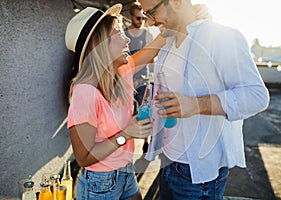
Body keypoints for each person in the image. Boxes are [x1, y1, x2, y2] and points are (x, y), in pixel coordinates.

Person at [139, 0, 270, 199]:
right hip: (167, 160)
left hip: (196, 175)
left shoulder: (222, 38)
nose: (149, 23)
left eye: (152, 13)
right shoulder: (166, 44)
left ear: (176, 2)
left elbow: (257, 96)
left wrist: (195, 105)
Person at [65, 4, 165, 200]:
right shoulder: (85, 93)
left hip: (125, 172)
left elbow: (152, 50)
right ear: (100, 45)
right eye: (119, 33)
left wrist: (176, 24)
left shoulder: (121, 74)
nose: (127, 38)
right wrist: (127, 133)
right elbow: (83, 157)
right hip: (100, 183)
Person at [125, 1, 154, 153]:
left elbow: (152, 57)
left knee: (145, 111)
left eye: (143, 18)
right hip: (126, 82)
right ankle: (125, 141)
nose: (141, 21)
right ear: (130, 16)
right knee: (127, 113)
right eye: (138, 18)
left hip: (142, 80)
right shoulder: (123, 34)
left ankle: (146, 140)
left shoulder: (147, 34)